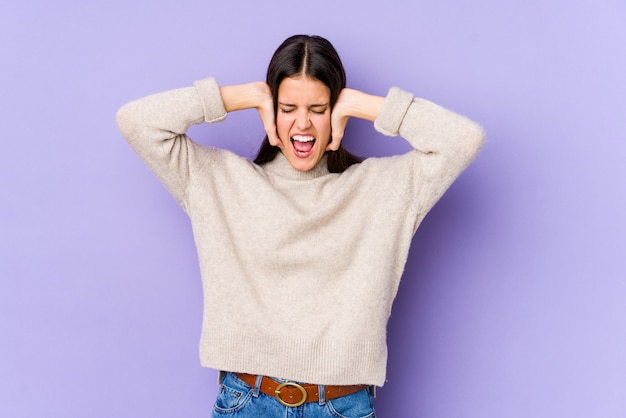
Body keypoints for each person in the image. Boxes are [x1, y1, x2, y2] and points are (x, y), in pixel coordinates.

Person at [117, 34, 484, 417]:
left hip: (343, 406)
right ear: (270, 110)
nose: (303, 124)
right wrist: (244, 95)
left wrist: (362, 104)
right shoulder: (218, 180)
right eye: (288, 107)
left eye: (319, 108)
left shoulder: (383, 188)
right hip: (247, 402)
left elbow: (463, 139)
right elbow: (136, 121)